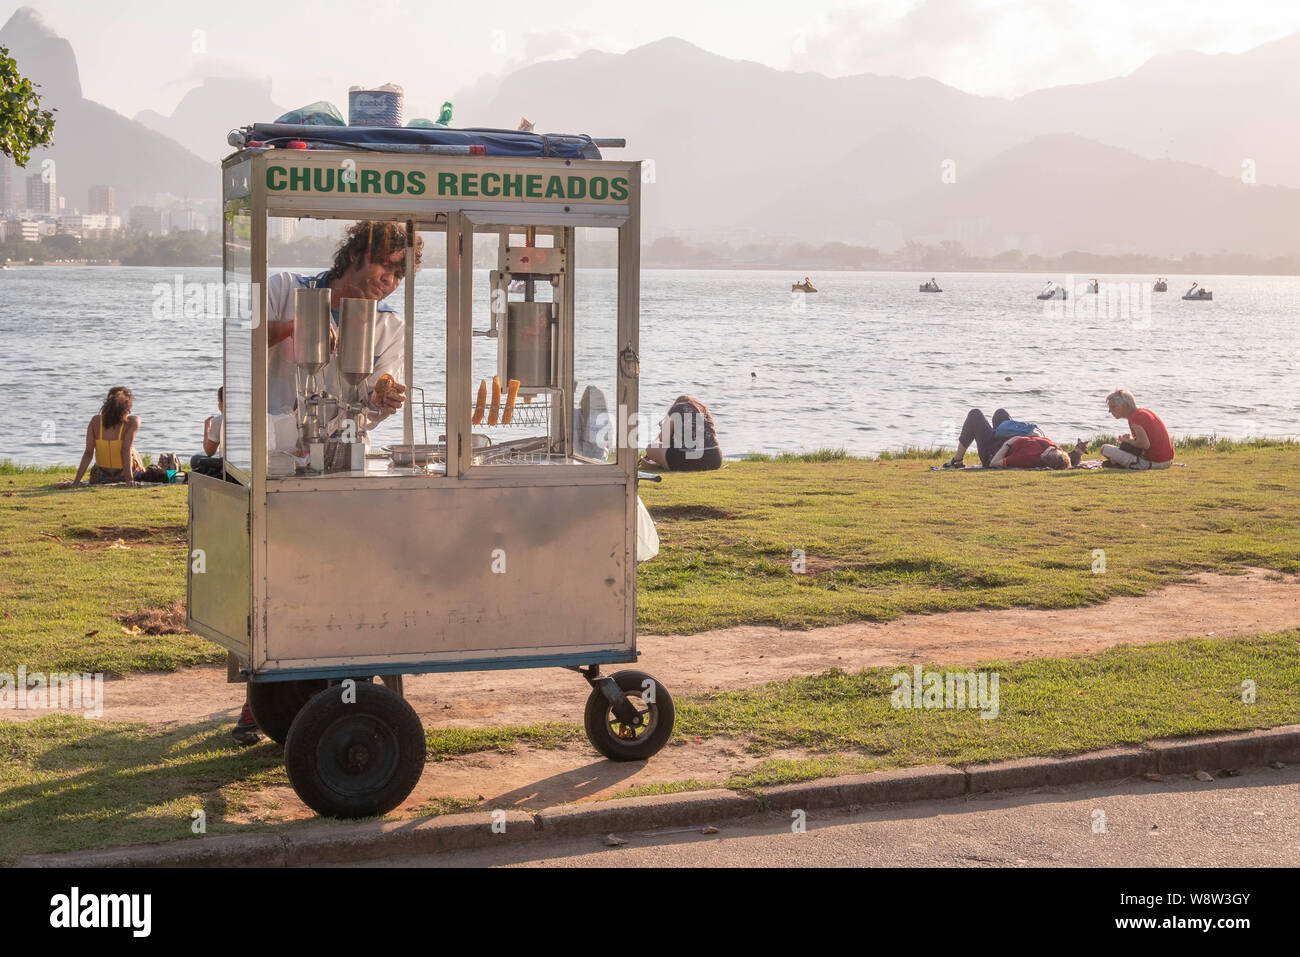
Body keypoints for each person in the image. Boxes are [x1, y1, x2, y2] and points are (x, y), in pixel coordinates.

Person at [265, 221, 423, 443]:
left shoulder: (392, 327)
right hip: (275, 448)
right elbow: (241, 342)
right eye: (385, 264)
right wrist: (294, 329)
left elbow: (371, 402)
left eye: (398, 275)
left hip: (344, 452)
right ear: (355, 255)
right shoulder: (284, 289)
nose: (389, 279)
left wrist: (382, 400)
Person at [65, 387, 144, 486]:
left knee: (131, 450)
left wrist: (76, 482)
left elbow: (88, 453)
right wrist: (129, 481)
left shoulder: (95, 421)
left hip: (100, 476)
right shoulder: (133, 421)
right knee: (134, 451)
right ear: (128, 405)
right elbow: (125, 450)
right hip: (123, 475)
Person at [641, 395, 722, 471]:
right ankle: (659, 465)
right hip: (715, 460)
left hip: (687, 461)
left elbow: (664, 439)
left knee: (651, 447)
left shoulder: (677, 408)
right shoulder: (704, 411)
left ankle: (658, 465)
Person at [1100, 388, 1174, 470]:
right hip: (1166, 461)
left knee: (1104, 449)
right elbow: (1146, 440)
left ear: (1125, 406)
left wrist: (1128, 441)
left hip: (1154, 463)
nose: (1110, 411)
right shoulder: (1142, 412)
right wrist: (1131, 439)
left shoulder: (1136, 417)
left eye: (1113, 407)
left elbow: (1145, 444)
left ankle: (1122, 464)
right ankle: (1118, 463)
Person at [943, 408, 1041, 468]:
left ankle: (957, 460)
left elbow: (997, 462)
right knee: (1000, 413)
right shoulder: (1048, 445)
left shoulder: (1036, 457)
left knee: (975, 414)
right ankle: (996, 432)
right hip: (1000, 441)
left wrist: (1016, 438)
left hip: (993, 453)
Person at [190, 386, 224, 477]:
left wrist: (207, 428)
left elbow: (209, 452)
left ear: (221, 403)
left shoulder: (220, 420)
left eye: (218, 402)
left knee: (195, 459)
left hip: (228, 466)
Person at [988, 434, 1072, 470]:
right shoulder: (1057, 451)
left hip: (996, 449)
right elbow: (1066, 462)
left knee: (975, 414)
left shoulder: (1026, 457)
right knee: (1001, 413)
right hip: (1015, 437)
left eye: (1042, 456)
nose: (1041, 454)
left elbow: (994, 463)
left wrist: (1007, 444)